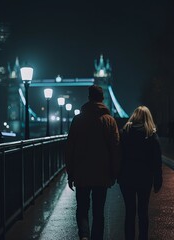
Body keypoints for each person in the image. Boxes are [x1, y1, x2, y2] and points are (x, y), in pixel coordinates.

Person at [65, 85, 120, 240]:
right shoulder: (110, 121)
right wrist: (115, 172)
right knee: (98, 211)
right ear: (102, 98)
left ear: (88, 98)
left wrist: (70, 173)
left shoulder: (77, 119)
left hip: (81, 173)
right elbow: (115, 148)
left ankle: (84, 236)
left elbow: (70, 147)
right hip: (102, 174)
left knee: (82, 209)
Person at [118, 106, 163, 240]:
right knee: (143, 212)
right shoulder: (151, 135)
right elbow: (157, 160)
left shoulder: (124, 133)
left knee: (129, 212)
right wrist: (157, 180)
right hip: (145, 178)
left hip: (126, 178)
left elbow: (119, 156)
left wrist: (117, 174)